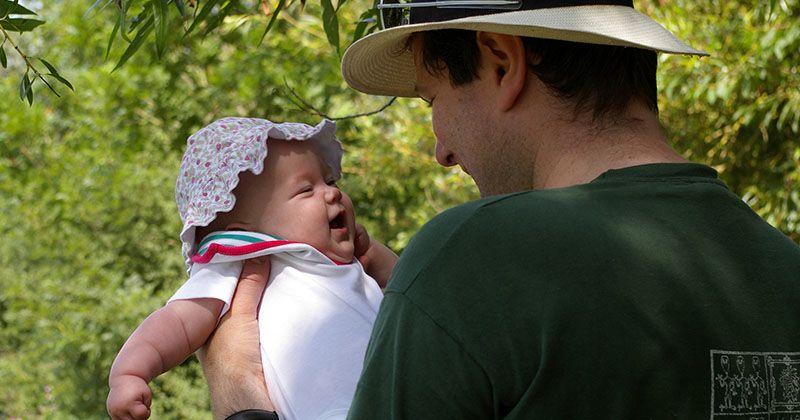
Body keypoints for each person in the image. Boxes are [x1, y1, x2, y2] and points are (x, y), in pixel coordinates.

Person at [202, 1, 800, 419]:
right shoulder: (781, 267)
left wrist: (242, 401)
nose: (440, 151)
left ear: (501, 60)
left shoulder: (472, 258)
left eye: (434, 97)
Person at [106, 117, 397, 420]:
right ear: (243, 232)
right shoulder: (242, 262)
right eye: (305, 190)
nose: (332, 193)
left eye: (331, 181)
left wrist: (377, 258)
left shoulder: (352, 269)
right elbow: (177, 322)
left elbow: (410, 296)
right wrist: (129, 373)